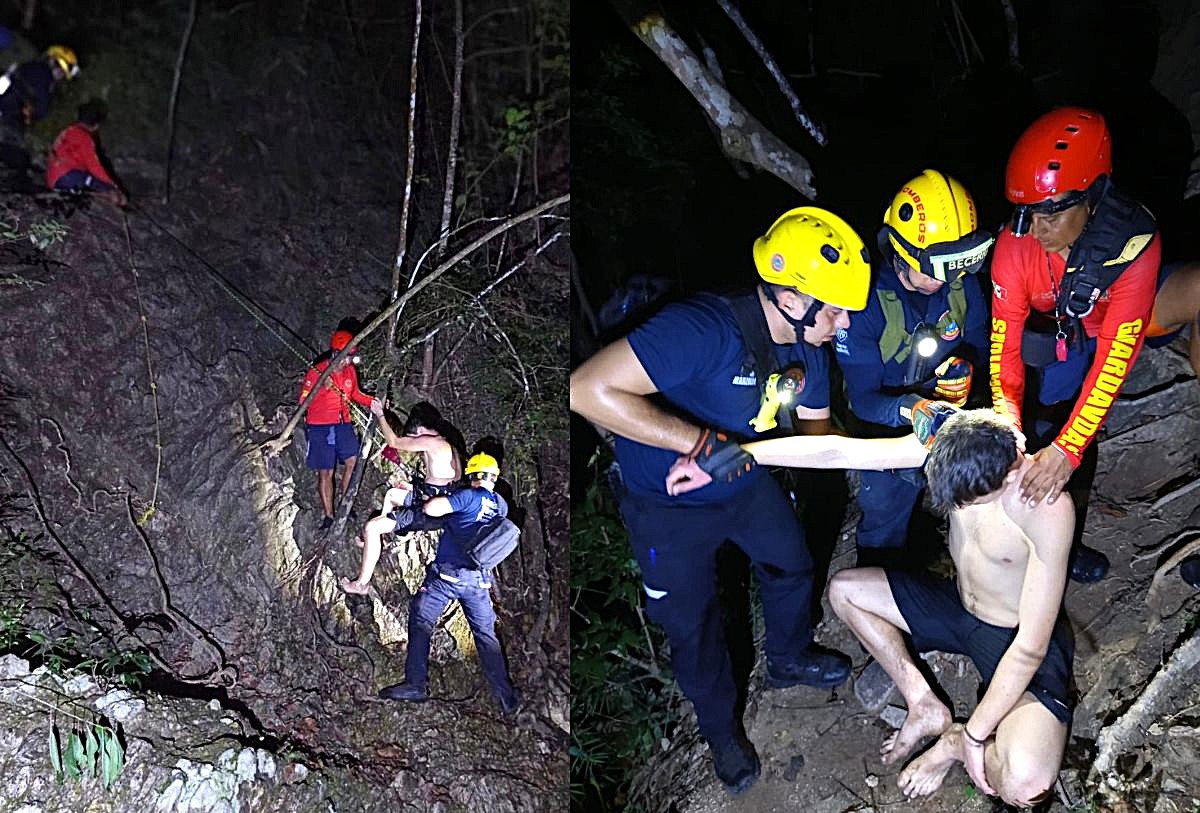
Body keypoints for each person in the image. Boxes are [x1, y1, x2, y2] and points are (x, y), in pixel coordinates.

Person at [570, 206, 870, 795]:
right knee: (693, 624)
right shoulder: (704, 328)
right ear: (790, 297)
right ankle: (721, 733)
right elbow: (586, 388)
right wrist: (703, 443)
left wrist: (913, 440)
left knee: (792, 566)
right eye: (834, 308)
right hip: (665, 506)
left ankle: (787, 659)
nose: (844, 322)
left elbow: (815, 440)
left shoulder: (808, 347)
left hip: (743, 478)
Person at [718, 409, 1073, 807]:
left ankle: (951, 742)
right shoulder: (952, 440)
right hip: (957, 606)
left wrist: (972, 737)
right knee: (846, 591)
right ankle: (923, 703)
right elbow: (839, 452)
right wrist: (743, 452)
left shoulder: (1045, 504)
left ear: (1008, 475)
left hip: (1014, 638)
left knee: (1025, 786)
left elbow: (1030, 649)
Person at [990, 106, 1192, 582]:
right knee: (1043, 420)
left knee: (1072, 437)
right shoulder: (1016, 245)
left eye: (1050, 211)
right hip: (1062, 326)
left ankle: (1066, 534)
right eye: (1025, 211)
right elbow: (1005, 349)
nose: (1034, 229)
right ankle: (1044, 537)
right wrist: (1006, 420)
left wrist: (1071, 447)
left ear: (1093, 196)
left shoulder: (1133, 241)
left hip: (1124, 313)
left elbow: (1114, 359)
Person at [834, 169, 993, 566]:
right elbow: (864, 400)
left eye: (956, 265)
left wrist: (966, 369)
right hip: (885, 424)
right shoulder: (863, 304)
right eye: (935, 267)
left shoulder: (960, 285)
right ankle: (877, 580)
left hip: (952, 414)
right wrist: (912, 408)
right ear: (901, 253)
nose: (946, 279)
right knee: (888, 507)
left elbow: (981, 346)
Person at [378, 452, 521, 717]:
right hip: (478, 583)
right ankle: (506, 697)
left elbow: (433, 509)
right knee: (486, 637)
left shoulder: (469, 495)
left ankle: (416, 683)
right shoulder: (500, 504)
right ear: (495, 476)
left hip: (446, 579)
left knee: (421, 622)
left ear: (472, 475)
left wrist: (439, 497)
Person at [339, 400, 463, 595]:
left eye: (414, 437)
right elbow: (442, 482)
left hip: (430, 512)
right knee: (392, 495)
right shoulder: (449, 443)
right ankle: (375, 542)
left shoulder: (431, 441)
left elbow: (394, 442)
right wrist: (414, 488)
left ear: (421, 430)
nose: (415, 442)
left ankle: (361, 584)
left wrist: (380, 414)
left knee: (371, 527)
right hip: (438, 501)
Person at [298, 329, 379, 530]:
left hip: (343, 424)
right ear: (335, 354)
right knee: (326, 471)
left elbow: (356, 394)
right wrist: (321, 387)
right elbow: (303, 401)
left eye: (351, 358)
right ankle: (329, 516)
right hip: (320, 427)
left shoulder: (350, 372)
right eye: (345, 358)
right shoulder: (317, 371)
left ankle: (345, 502)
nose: (347, 363)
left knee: (353, 461)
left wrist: (373, 402)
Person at [0, 45, 78, 179]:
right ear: (53, 62)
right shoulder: (43, 75)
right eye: (60, 71)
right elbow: (42, 108)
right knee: (15, 156)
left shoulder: (29, 67)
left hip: (8, 112)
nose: (60, 76)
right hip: (9, 116)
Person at [46, 99, 126, 206]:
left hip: (53, 178)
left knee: (97, 185)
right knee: (114, 195)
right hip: (70, 177)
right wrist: (112, 185)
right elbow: (94, 166)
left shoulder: (67, 131)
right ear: (96, 125)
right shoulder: (85, 138)